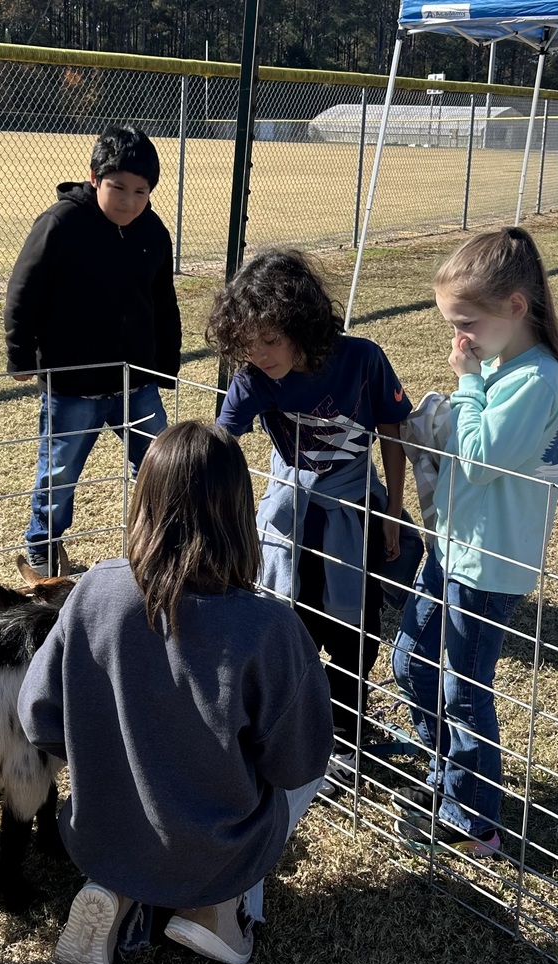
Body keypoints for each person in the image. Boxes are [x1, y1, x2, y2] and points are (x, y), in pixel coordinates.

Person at [17, 421, 333, 964]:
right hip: (217, 846)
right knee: (312, 763)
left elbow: (38, 716)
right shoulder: (269, 628)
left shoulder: (94, 589)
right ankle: (218, 906)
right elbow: (298, 762)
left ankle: (116, 888)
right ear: (239, 512)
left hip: (100, 831)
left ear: (145, 502)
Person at [390, 227, 558, 858]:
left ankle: (474, 822)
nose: (458, 339)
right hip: (453, 547)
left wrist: (467, 383)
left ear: (516, 308)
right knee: (409, 660)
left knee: (463, 687)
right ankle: (447, 774)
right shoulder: (503, 364)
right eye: (453, 324)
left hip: (489, 563)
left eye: (466, 322)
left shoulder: (538, 379)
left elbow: (481, 454)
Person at [207, 250, 411, 796]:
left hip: (354, 511)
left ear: (302, 325)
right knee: (289, 623)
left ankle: (347, 732)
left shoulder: (362, 359)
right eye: (246, 344)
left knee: (355, 629)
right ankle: (288, 731)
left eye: (270, 341)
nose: (258, 355)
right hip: (289, 515)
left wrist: (391, 512)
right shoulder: (254, 377)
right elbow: (223, 443)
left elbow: (393, 428)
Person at [4, 125, 182, 575]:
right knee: (59, 475)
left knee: (164, 466)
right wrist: (21, 355)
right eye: (117, 187)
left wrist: (166, 363)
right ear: (94, 177)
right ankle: (43, 548)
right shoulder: (61, 224)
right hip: (73, 387)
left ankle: (170, 541)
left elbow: (163, 302)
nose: (128, 200)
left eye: (141, 191)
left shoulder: (154, 232)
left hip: (136, 383)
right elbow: (24, 289)